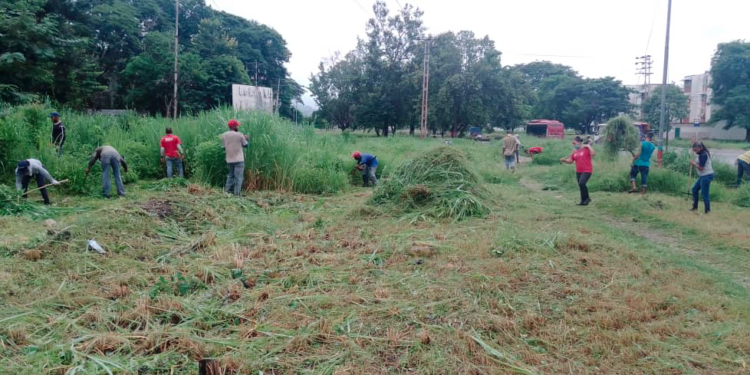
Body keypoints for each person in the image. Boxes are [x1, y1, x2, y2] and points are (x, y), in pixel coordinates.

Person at [560, 136, 596, 206]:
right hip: (578, 171)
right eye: (573, 143)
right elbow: (570, 161)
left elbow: (594, 154)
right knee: (580, 185)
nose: (574, 145)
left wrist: (589, 146)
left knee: (582, 183)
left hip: (587, 170)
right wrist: (564, 160)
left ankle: (587, 198)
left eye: (575, 143)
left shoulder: (586, 149)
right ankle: (583, 201)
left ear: (579, 142)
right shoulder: (575, 151)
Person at [221, 119, 249, 196]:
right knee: (238, 177)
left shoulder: (224, 135)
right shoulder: (240, 134)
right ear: (234, 126)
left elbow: (223, 147)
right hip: (239, 160)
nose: (238, 126)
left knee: (230, 175)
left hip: (229, 159)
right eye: (237, 125)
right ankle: (237, 194)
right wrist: (247, 139)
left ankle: (227, 192)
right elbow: (246, 145)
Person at [690, 142, 714, 214]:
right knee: (694, 189)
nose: (695, 152)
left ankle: (707, 211)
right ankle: (695, 207)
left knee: (704, 193)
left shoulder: (703, 155)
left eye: (696, 150)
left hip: (707, 175)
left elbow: (701, 168)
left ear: (701, 148)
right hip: (703, 175)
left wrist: (694, 163)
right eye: (694, 150)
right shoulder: (701, 153)